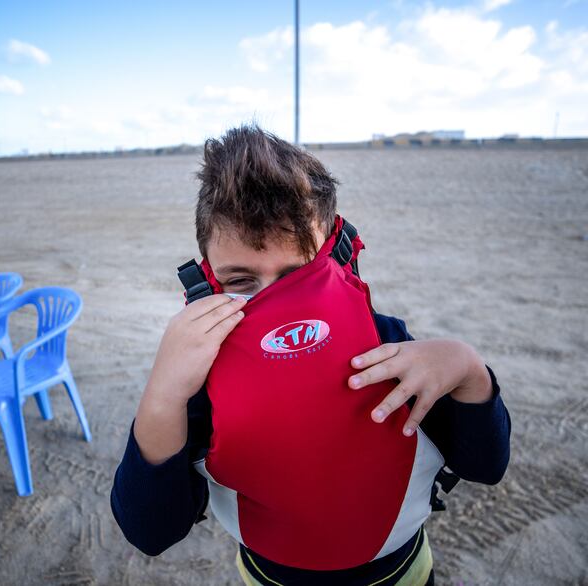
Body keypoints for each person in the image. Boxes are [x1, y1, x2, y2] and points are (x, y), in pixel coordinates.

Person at [110, 125, 511, 584]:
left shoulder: (389, 348)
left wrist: (466, 368)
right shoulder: (200, 379)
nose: (277, 305)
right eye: (241, 282)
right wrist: (162, 397)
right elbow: (151, 530)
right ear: (205, 281)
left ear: (340, 253)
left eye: (299, 276)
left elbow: (487, 465)